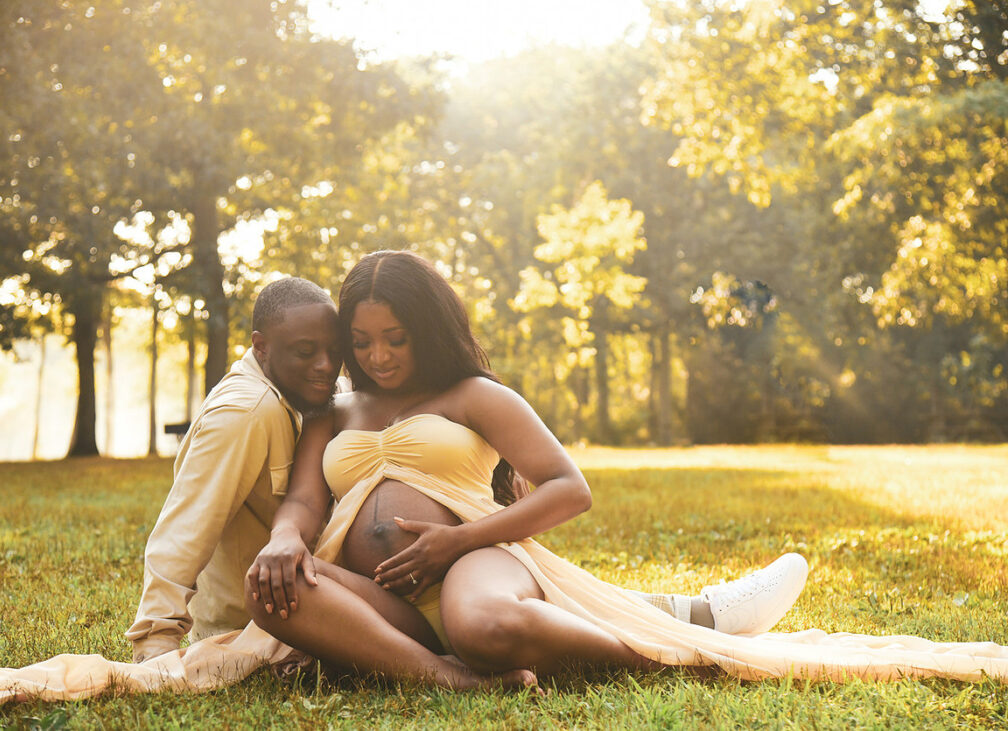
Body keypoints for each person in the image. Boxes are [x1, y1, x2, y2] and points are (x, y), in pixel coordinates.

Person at [243, 250, 1008, 683]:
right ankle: (445, 677)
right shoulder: (333, 414)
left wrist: (454, 542)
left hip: (474, 565)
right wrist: (284, 538)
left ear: (428, 329)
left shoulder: (472, 393)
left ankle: (676, 649)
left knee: (483, 621)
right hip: (381, 598)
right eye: (365, 339)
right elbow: (305, 502)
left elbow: (568, 487)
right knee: (272, 590)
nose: (379, 355)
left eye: (397, 337)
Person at [126, 277, 342, 662]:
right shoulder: (245, 412)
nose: (325, 366)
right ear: (261, 346)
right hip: (259, 628)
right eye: (306, 351)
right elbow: (184, 529)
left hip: (320, 600)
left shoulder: (306, 393)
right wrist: (155, 644)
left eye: (333, 350)